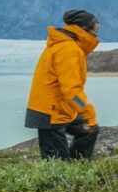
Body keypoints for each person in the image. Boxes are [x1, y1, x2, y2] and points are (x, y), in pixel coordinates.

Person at [25, 10, 101, 159]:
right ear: (83, 29)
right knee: (57, 163)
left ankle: (78, 169)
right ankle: (67, 175)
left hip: (61, 107)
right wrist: (86, 110)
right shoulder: (68, 49)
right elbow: (71, 91)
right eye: (96, 29)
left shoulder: (69, 46)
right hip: (49, 111)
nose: (97, 34)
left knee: (89, 129)